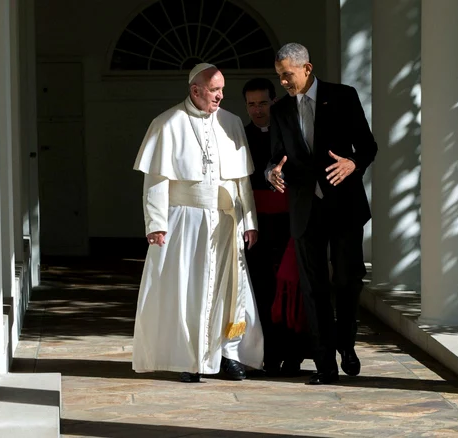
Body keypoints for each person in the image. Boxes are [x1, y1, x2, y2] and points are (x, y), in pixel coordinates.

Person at [131, 63, 263, 383]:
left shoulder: (231, 123)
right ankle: (188, 359)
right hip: (183, 221)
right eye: (215, 90)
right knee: (187, 291)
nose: (221, 95)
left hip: (224, 221)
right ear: (196, 90)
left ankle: (228, 354)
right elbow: (156, 180)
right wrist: (156, 223)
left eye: (222, 90)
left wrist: (249, 221)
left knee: (229, 291)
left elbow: (241, 180)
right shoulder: (167, 123)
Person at [266, 43, 378, 385]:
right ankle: (324, 364)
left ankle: (346, 345)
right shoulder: (280, 110)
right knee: (313, 289)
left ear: (307, 69)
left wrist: (353, 163)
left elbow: (368, 146)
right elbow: (275, 157)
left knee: (346, 280)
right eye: (279, 75)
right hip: (304, 209)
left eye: (288, 74)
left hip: (344, 206)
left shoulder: (343, 96)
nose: (284, 81)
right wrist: (272, 172)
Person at [243, 78, 310, 377]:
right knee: (262, 290)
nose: (257, 110)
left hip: (289, 223)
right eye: (251, 104)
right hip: (256, 225)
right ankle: (268, 355)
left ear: (274, 101)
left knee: (292, 286)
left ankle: (294, 355)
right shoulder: (240, 136)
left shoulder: (291, 130)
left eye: (263, 103)